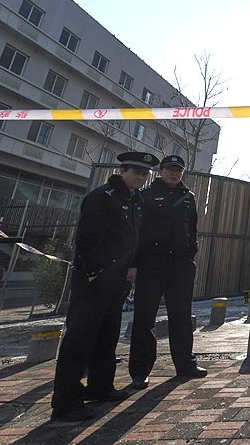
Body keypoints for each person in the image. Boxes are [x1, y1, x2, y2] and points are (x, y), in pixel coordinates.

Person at [51, 151, 158, 422]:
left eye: (144, 174)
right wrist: (94, 271)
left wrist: (129, 270)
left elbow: (133, 239)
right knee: (80, 338)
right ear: (123, 171)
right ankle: (66, 402)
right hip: (95, 279)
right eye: (135, 172)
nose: (140, 177)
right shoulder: (102, 196)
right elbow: (87, 237)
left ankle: (100, 387)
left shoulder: (135, 201)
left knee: (107, 335)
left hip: (118, 279)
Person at [130, 155, 206, 390]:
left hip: (180, 264)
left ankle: (185, 364)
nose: (175, 174)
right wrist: (133, 263)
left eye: (179, 170)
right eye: (170, 170)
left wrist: (190, 254)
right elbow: (136, 232)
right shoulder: (145, 196)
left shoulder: (188, 198)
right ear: (160, 171)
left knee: (181, 316)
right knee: (144, 317)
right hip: (150, 263)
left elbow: (192, 229)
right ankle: (140, 371)